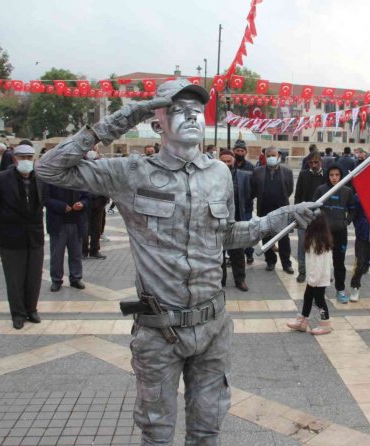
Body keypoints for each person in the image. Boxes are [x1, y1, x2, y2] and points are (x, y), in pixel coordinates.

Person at [35, 78, 319, 445]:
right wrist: (127, 115)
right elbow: (49, 169)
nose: (191, 118)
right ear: (157, 123)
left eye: (197, 112)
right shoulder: (130, 173)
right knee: (157, 433)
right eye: (178, 111)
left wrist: (281, 216)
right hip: (160, 333)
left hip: (212, 327)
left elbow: (228, 234)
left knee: (207, 429)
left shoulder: (219, 173)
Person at [0, 144, 45, 330]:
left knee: (34, 276)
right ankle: (18, 313)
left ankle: (32, 309)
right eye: (22, 157)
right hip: (11, 237)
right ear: (14, 159)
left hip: (34, 236)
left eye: (29, 157)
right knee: (14, 278)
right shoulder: (0, 179)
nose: (26, 161)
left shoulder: (41, 179)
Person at [313, 164, 356, 304]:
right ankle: (319, 290)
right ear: (328, 176)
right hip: (324, 233)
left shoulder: (347, 191)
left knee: (339, 263)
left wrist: (346, 221)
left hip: (340, 233)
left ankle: (340, 289)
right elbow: (313, 208)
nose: (334, 178)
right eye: (331, 175)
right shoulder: (321, 190)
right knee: (322, 262)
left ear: (341, 176)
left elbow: (353, 209)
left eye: (337, 175)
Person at [286, 214, 333, 335]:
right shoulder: (318, 240)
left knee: (319, 300)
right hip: (315, 278)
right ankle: (302, 321)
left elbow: (318, 265)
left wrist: (313, 280)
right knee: (308, 297)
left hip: (318, 279)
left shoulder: (318, 243)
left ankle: (325, 324)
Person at [251, 146, 295, 274]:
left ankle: (286, 264)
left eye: (273, 155)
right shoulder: (257, 171)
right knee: (266, 237)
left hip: (282, 210)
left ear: (279, 156)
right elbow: (254, 189)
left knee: (284, 238)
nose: (271, 157)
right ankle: (270, 261)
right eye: (268, 155)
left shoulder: (287, 171)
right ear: (265, 157)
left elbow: (290, 190)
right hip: (264, 209)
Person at [43, 182, 91, 292]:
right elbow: (46, 199)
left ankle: (76, 278)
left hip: (77, 222)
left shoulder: (78, 177)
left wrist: (82, 204)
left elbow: (87, 197)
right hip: (58, 223)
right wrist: (62, 207)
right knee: (57, 254)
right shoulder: (52, 177)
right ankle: (56, 280)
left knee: (76, 253)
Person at [218, 150, 251, 292]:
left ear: (233, 162)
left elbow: (248, 198)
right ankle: (220, 281)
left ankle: (240, 280)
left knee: (237, 252)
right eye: (223, 161)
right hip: (218, 221)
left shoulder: (243, 176)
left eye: (228, 161)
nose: (226, 164)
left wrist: (247, 218)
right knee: (219, 253)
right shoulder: (213, 177)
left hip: (237, 220)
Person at [294, 152, 326, 283]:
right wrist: (296, 213)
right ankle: (302, 271)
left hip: (321, 217)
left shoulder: (327, 176)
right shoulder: (303, 174)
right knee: (302, 244)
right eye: (311, 163)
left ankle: (321, 271)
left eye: (316, 162)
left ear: (321, 162)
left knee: (321, 245)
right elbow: (298, 195)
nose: (313, 165)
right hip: (304, 215)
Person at [349, 192, 370, 303]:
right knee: (359, 264)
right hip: (362, 237)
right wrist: (359, 227)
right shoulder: (358, 196)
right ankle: (355, 287)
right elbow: (354, 214)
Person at [232, 139, 255, 264]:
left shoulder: (250, 167)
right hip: (232, 207)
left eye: (242, 151)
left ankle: (249, 253)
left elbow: (254, 186)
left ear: (245, 152)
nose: (239, 153)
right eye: (237, 150)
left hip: (246, 206)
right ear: (233, 151)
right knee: (233, 232)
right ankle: (233, 255)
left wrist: (249, 198)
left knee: (247, 231)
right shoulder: (230, 165)